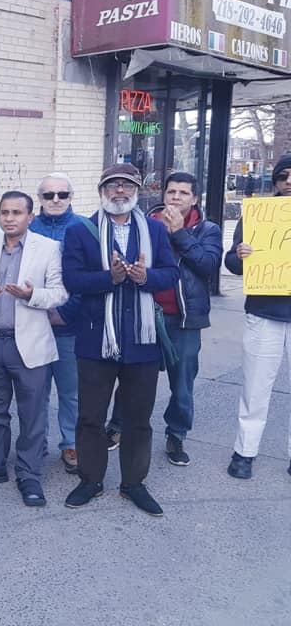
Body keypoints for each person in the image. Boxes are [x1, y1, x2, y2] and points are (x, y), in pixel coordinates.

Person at [62, 164, 178, 517]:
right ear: (102, 191)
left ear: (137, 192)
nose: (120, 191)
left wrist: (145, 277)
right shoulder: (80, 231)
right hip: (96, 339)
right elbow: (72, 280)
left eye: (127, 185)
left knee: (138, 418)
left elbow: (171, 274)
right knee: (91, 417)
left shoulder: (154, 230)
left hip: (142, 342)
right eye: (113, 185)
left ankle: (133, 484)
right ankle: (90, 480)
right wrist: (107, 278)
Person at [0, 192, 67, 507]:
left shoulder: (48, 248)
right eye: (5, 212)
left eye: (16, 213)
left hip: (31, 343)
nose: (9, 218)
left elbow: (60, 293)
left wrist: (32, 295)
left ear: (30, 217)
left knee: (32, 414)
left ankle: (29, 475)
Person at [106, 172, 221, 467]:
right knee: (130, 375)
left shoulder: (207, 229)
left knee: (181, 381)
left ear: (194, 199)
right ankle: (117, 424)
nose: (176, 197)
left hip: (183, 319)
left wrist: (180, 234)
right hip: (144, 312)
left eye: (183, 193)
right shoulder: (144, 222)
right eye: (171, 191)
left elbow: (208, 266)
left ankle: (176, 434)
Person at [224, 154, 291, 479]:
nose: (289, 181)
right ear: (275, 179)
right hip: (265, 311)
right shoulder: (259, 214)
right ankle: (244, 451)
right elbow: (232, 263)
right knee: (255, 386)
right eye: (283, 175)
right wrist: (240, 255)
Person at [29, 173, 85, 474]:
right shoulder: (28, 226)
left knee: (70, 391)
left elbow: (89, 279)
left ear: (71, 197)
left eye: (62, 194)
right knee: (35, 392)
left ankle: (71, 443)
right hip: (33, 323)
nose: (55, 200)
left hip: (69, 326)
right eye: (48, 195)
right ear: (39, 198)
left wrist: (65, 313)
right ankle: (36, 442)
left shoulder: (84, 228)